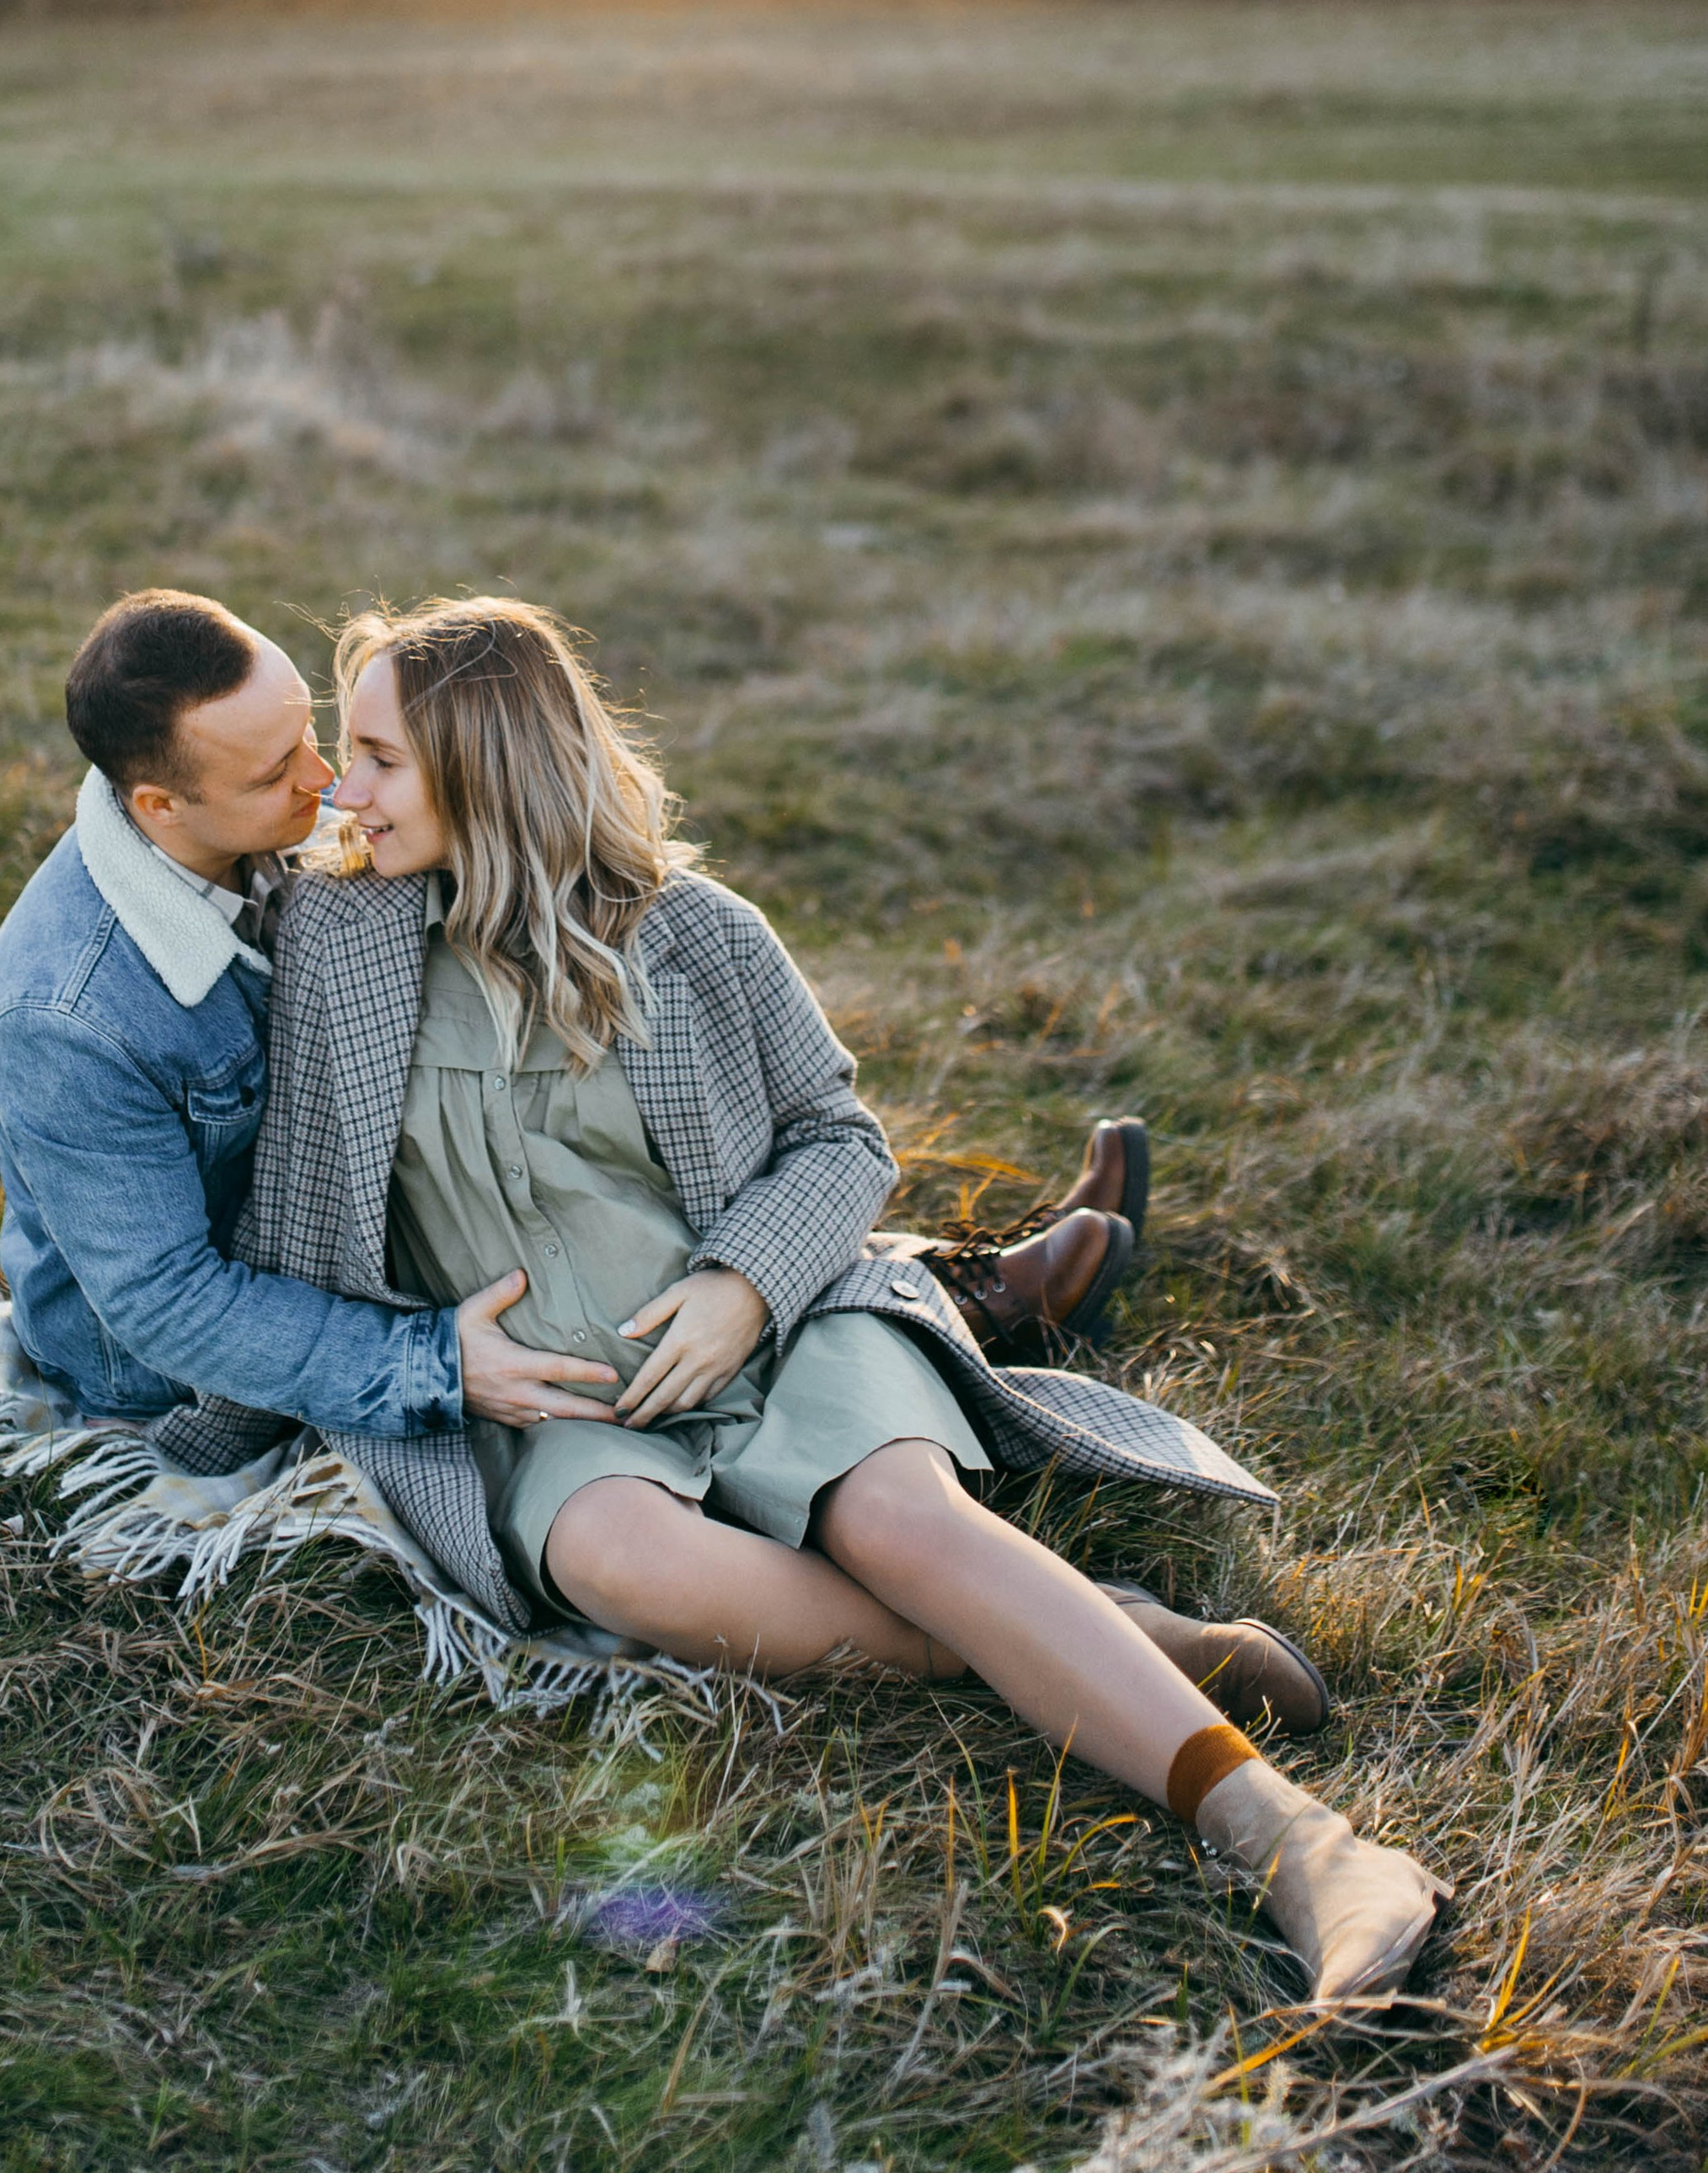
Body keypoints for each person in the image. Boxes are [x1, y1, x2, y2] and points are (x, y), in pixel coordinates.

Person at [153, 597, 1440, 2006]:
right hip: (552, 1405)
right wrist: (244, 1401)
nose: (342, 790)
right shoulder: (334, 932)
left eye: (379, 758)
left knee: (899, 1523)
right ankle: (1105, 1634)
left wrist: (744, 1284)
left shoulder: (693, 930)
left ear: (490, 764)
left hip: (782, 1333)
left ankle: (1300, 1842)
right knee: (622, 1565)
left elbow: (842, 1140)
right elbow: (180, 902)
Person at [0, 588, 640, 1445]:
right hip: (179, 1374)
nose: (327, 783)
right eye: (273, 772)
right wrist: (431, 1366)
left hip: (341, 1256)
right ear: (161, 806)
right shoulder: (63, 1020)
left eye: (309, 735)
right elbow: (166, 1303)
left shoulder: (291, 824)